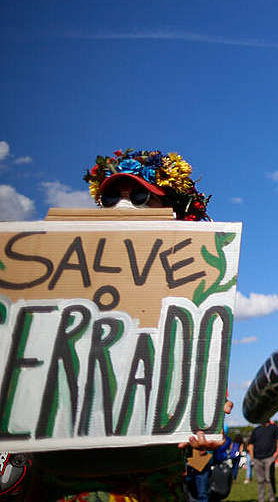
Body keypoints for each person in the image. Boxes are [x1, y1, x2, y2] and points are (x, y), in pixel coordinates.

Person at [14, 148, 212, 501]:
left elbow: (197, 381)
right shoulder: (57, 274)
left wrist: (205, 411)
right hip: (62, 477)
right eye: (110, 196)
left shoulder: (195, 288)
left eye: (139, 196)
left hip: (148, 478)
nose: (124, 206)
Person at [248, 418, 278, 502]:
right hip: (257, 458)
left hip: (269, 457)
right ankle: (261, 499)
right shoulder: (256, 430)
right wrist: (252, 457)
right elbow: (251, 444)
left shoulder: (274, 427)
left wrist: (277, 452)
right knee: (260, 480)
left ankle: (272, 498)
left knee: (269, 479)